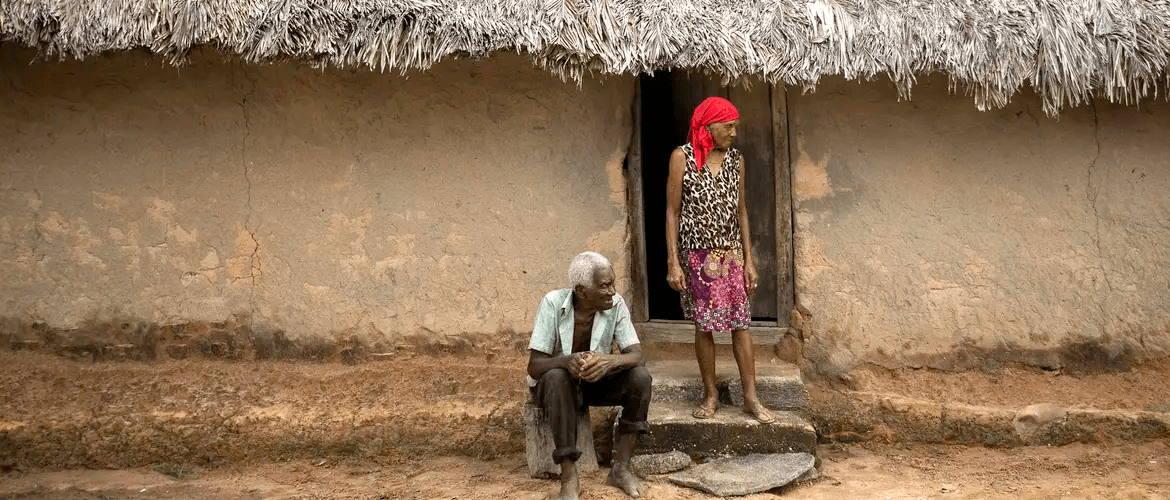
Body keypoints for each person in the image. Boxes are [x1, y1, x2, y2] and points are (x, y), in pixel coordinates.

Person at [665, 96, 776, 424]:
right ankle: (711, 395)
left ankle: (751, 398)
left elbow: (741, 210)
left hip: (730, 256)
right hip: (696, 257)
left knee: (741, 325)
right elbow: (672, 211)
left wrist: (749, 259)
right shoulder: (681, 158)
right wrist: (673, 261)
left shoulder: (736, 159)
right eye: (728, 126)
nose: (733, 132)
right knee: (704, 327)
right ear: (708, 125)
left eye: (735, 126)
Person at [527, 251, 652, 499]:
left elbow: (637, 355)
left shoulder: (616, 305)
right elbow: (535, 366)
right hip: (555, 388)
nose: (612, 291)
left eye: (612, 283)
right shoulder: (553, 303)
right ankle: (569, 477)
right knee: (556, 377)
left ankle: (621, 469)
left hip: (595, 383)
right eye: (604, 286)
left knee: (640, 377)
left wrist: (611, 361)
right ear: (583, 292)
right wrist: (566, 362)